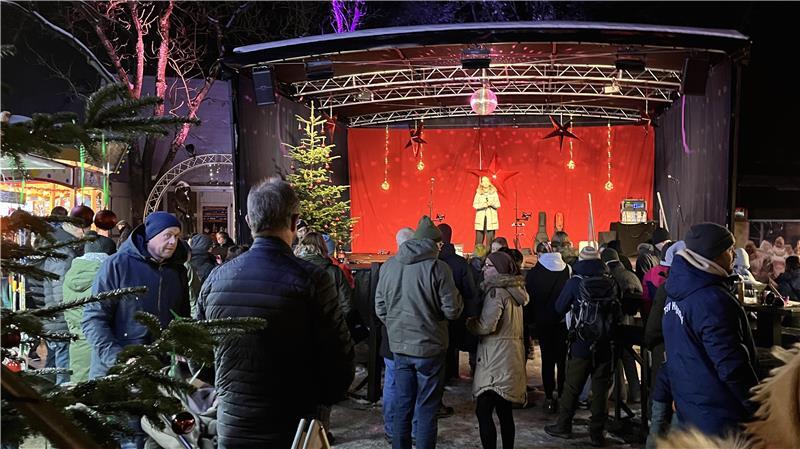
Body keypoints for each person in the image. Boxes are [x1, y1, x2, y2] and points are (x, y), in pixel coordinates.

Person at [197, 178, 354, 448]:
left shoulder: (216, 278)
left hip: (233, 423)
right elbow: (338, 364)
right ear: (294, 222)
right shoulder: (313, 280)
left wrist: (229, 388)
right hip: (292, 424)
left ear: (249, 221)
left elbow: (198, 356)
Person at [375, 216, 463, 449]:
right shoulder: (439, 268)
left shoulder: (390, 266)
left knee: (402, 405)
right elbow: (452, 310)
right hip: (430, 348)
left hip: (399, 347)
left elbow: (380, 308)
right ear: (434, 243)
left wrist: (396, 327)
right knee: (426, 409)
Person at [662, 222, 758, 437]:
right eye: (729, 249)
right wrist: (759, 409)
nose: (734, 255)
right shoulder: (712, 300)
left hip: (691, 410)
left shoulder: (675, 294)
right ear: (714, 254)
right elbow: (731, 365)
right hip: (721, 418)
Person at [83, 211, 190, 379]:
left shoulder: (177, 271)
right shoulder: (117, 265)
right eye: (168, 235)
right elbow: (93, 319)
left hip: (161, 370)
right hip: (116, 371)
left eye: (176, 236)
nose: (173, 242)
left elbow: (182, 317)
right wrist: (119, 358)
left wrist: (182, 347)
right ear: (150, 236)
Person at [545, 246, 619, 447]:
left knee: (572, 386)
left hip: (581, 341)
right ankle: (597, 433)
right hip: (605, 342)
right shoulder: (610, 281)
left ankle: (563, 426)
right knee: (601, 388)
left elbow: (559, 308)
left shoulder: (575, 282)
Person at [467, 251, 529, 449]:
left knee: (483, 411)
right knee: (504, 411)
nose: (484, 270)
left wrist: (470, 323)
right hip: (510, 357)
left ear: (500, 269)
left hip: (494, 359)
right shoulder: (516, 291)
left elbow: (487, 326)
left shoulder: (496, 293)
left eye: (489, 266)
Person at [43, 205, 93, 384]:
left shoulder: (60, 242)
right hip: (61, 320)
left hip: (54, 317)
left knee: (54, 365)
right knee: (64, 370)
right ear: (80, 228)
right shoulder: (65, 250)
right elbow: (61, 293)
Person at [62, 232, 116, 384]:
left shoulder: (70, 275)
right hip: (100, 349)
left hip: (77, 346)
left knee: (80, 390)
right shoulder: (106, 277)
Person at [525, 241, 570, 414]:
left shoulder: (534, 273)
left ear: (539, 254)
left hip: (543, 322)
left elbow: (529, 300)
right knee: (562, 360)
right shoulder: (567, 270)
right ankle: (563, 395)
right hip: (562, 322)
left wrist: (530, 322)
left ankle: (549, 397)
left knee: (547, 360)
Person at [381, 226, 416, 443]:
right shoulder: (424, 266)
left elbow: (379, 305)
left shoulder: (387, 267)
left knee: (392, 384)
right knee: (415, 386)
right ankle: (413, 431)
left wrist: (390, 324)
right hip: (416, 337)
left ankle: (391, 429)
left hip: (392, 337)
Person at [437, 224, 479, 382]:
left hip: (437, 312)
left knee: (444, 345)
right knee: (456, 341)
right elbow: (470, 290)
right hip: (458, 311)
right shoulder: (460, 263)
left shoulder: (433, 262)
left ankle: (446, 375)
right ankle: (457, 373)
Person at [601, 247, 643, 403]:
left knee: (616, 359)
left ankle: (620, 396)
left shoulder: (609, 278)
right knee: (629, 357)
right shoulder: (631, 275)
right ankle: (636, 393)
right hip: (632, 324)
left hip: (616, 324)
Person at [295, 232, 353, 331]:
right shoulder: (334, 271)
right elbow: (346, 303)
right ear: (323, 247)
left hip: (301, 328)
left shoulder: (293, 268)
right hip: (330, 326)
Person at [474, 176, 500, 247]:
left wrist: (491, 203)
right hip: (481, 218)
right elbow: (475, 205)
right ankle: (478, 253)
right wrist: (483, 205)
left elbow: (498, 204)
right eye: (483, 181)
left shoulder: (494, 193)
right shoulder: (478, 193)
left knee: (490, 240)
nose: (485, 183)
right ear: (481, 183)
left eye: (486, 181)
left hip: (490, 219)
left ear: (489, 182)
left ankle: (490, 253)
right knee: (479, 239)